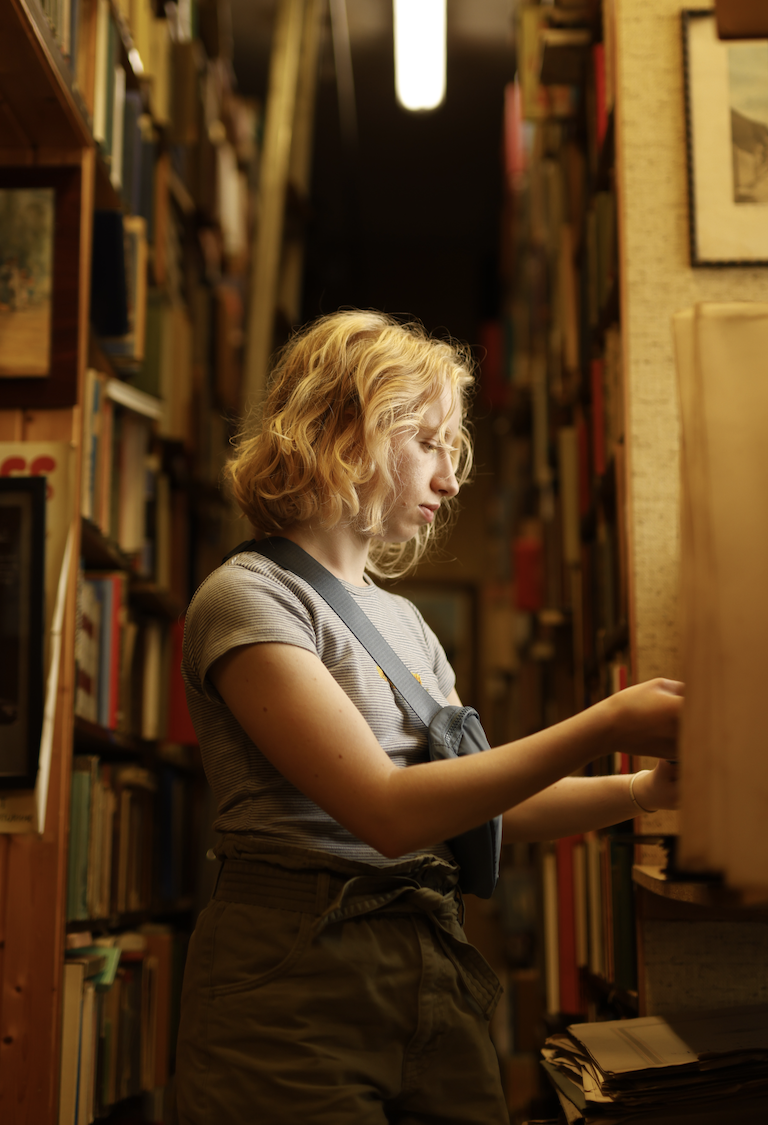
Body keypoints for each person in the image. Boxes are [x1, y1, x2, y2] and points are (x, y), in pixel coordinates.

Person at [175, 310, 682, 1125]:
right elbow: (385, 811)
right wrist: (608, 723)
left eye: (455, 449)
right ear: (344, 430)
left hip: (431, 954)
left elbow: (473, 809)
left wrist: (642, 793)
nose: (450, 480)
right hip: (292, 972)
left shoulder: (406, 624)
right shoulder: (248, 598)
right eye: (430, 442)